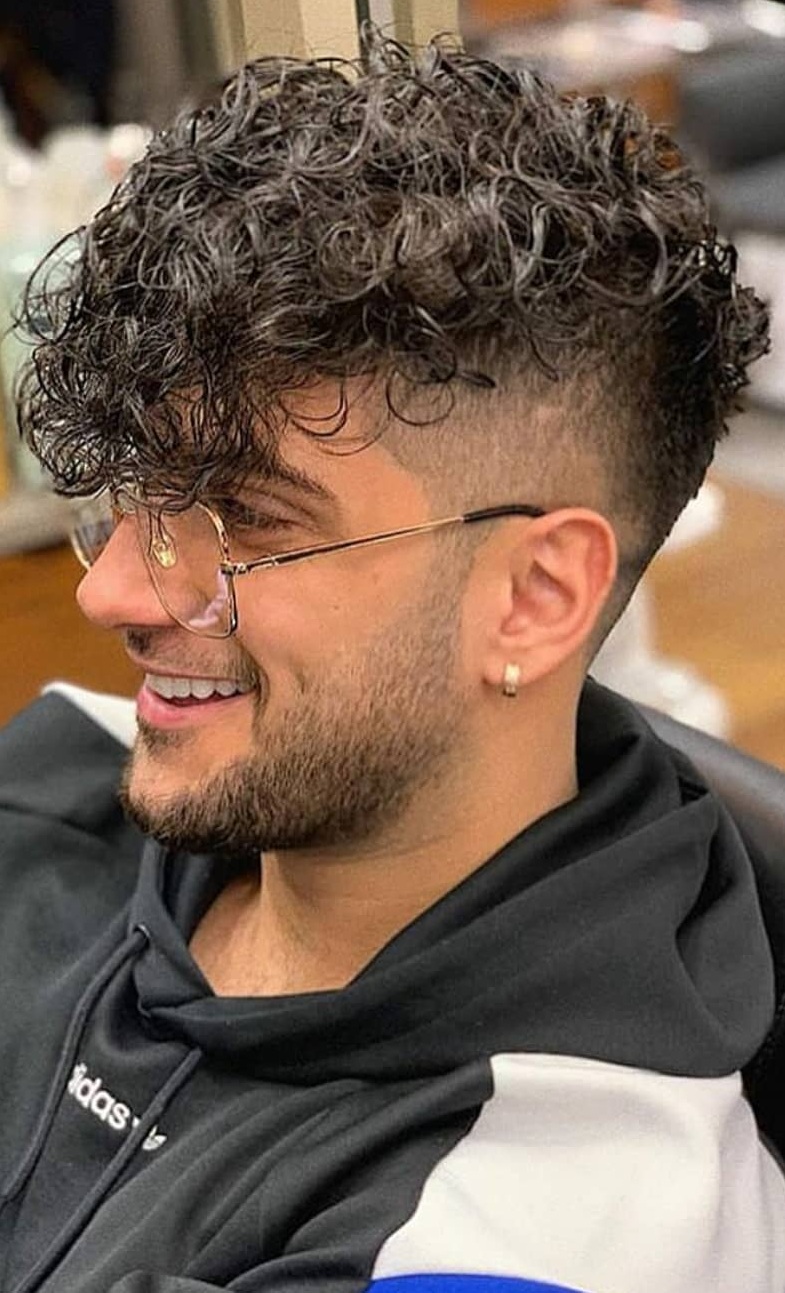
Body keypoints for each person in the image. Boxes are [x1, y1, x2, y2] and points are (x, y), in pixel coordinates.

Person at [0, 31, 781, 1293]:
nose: (112, 592)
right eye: (129, 493)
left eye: (245, 519)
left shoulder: (515, 1228)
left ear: (531, 598)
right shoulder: (70, 777)